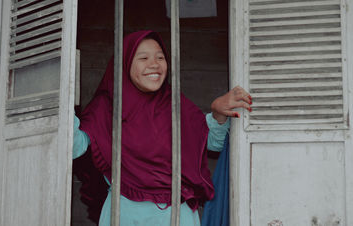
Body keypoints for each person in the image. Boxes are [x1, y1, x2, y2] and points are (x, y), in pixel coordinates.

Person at [73, 30, 251, 225]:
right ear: (124, 64)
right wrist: (63, 99)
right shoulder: (106, 107)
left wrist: (218, 112)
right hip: (125, 213)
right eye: (143, 58)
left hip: (175, 215)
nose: (154, 64)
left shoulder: (173, 103)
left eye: (160, 57)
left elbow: (212, 143)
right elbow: (74, 147)